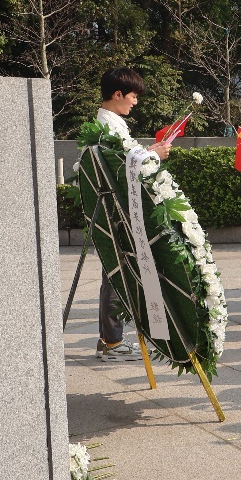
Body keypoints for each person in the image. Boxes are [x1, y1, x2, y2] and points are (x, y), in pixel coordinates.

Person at [93, 67, 171, 361]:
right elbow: (121, 169)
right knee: (118, 273)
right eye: (133, 96)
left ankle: (109, 339)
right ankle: (112, 342)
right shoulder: (108, 126)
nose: (135, 102)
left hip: (118, 209)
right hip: (118, 212)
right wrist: (154, 156)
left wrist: (147, 152)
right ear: (117, 94)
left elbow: (124, 160)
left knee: (115, 273)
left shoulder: (110, 123)